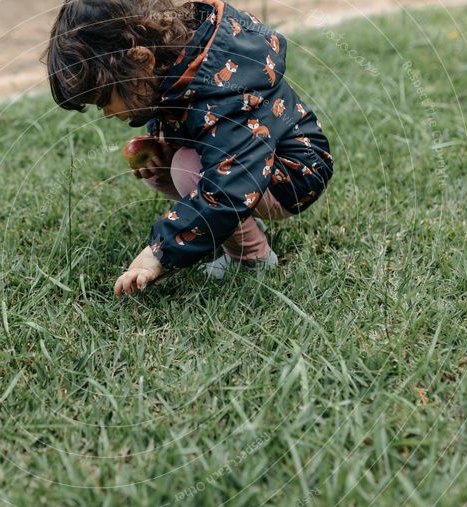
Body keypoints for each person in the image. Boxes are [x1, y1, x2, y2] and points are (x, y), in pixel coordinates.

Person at [45, 0, 334, 297]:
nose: (106, 113)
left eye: (105, 100)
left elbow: (228, 187)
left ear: (141, 60)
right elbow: (187, 117)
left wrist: (159, 252)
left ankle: (252, 259)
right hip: (256, 168)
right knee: (167, 166)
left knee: (186, 167)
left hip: (295, 174)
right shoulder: (176, 65)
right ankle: (240, 226)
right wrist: (161, 145)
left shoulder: (224, 90)